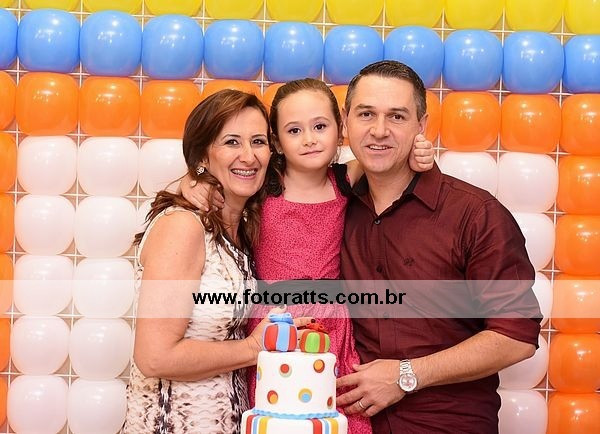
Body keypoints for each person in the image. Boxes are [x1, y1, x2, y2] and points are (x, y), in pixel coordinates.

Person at [181, 78, 435, 434]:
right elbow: (211, 174)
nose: (310, 139)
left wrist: (419, 150)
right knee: (280, 415)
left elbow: (388, 154)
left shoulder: (346, 178)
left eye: (320, 127)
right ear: (276, 141)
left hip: (332, 323)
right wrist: (192, 180)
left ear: (340, 129)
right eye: (294, 130)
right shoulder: (262, 183)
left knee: (335, 414)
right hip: (275, 322)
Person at [335, 61, 542, 433]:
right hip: (351, 423)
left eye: (397, 116)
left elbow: (516, 337)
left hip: (446, 424)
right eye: (366, 114)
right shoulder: (333, 206)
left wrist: (406, 375)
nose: (379, 130)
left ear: (421, 126)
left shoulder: (475, 214)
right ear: (345, 122)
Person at [123, 89, 310, 434]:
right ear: (203, 156)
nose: (248, 156)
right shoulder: (183, 226)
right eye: (231, 142)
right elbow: (154, 357)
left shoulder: (241, 230)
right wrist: (253, 348)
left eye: (258, 142)